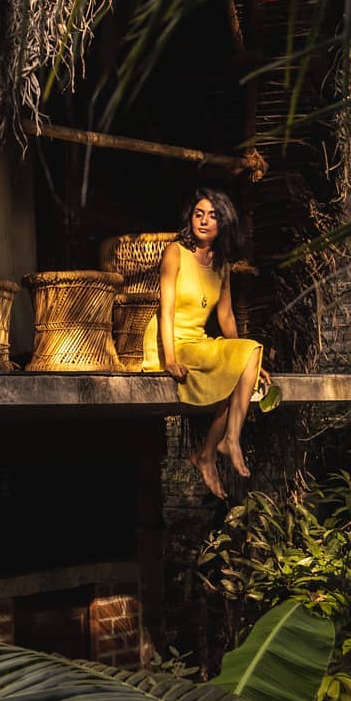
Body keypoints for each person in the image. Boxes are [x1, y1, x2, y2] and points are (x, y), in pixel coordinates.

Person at [140, 188, 269, 498]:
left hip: (198, 342)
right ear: (190, 218)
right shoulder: (175, 251)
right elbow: (166, 307)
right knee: (242, 361)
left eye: (212, 216)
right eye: (198, 214)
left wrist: (246, 362)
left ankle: (215, 448)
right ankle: (224, 445)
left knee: (250, 351)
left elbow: (225, 317)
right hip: (169, 342)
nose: (204, 220)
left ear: (223, 223)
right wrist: (170, 359)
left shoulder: (221, 264)